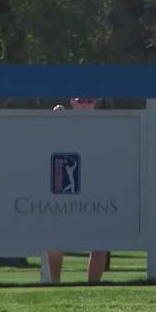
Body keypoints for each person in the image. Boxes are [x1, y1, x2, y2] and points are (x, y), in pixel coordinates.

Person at [46, 98, 108, 284]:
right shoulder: (63, 122)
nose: (85, 104)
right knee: (55, 242)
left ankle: (92, 289)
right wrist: (56, 121)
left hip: (95, 191)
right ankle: (55, 285)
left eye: (90, 100)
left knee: (101, 243)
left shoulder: (106, 125)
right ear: (72, 102)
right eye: (81, 100)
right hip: (66, 190)